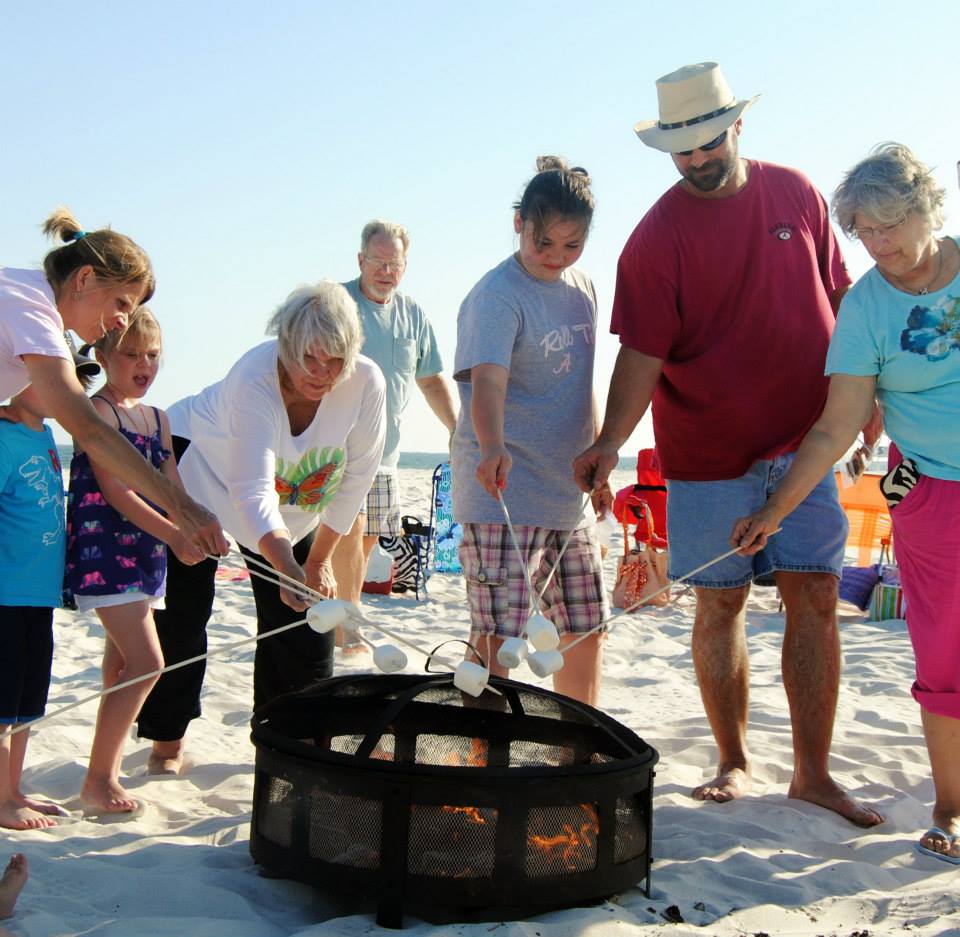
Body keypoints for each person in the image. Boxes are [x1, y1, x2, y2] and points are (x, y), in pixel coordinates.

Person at [573, 62, 882, 825]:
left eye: (708, 142)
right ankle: (734, 760)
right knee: (721, 604)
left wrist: (867, 394)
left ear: (736, 126)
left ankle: (812, 772)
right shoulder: (654, 238)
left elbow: (844, 298)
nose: (698, 159)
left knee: (815, 595)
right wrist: (611, 441)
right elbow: (640, 355)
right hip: (707, 453)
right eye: (682, 151)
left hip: (808, 438)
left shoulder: (799, 193)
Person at [732, 143, 960, 861]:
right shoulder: (864, 306)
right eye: (865, 229)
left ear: (928, 210)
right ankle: (951, 807)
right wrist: (774, 511)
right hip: (929, 494)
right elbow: (836, 424)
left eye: (892, 224)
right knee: (944, 656)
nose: (881, 243)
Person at [137, 281, 385, 774]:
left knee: (306, 625)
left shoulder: (366, 383)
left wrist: (314, 564)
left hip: (296, 508)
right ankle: (167, 742)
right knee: (185, 616)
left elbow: (358, 477)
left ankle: (289, 748)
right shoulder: (255, 376)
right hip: (201, 476)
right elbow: (251, 491)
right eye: (309, 359)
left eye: (335, 361)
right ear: (286, 347)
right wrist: (289, 565)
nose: (321, 373)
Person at [452, 156, 606, 706]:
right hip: (504, 490)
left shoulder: (582, 285)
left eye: (572, 246)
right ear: (519, 222)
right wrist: (491, 445)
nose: (557, 258)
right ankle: (478, 766)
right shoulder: (497, 294)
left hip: (569, 492)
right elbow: (488, 384)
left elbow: (582, 378)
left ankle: (580, 749)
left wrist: (599, 454)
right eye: (546, 244)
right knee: (498, 639)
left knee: (587, 625)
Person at [0, 208, 228, 557]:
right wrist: (185, 509)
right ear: (85, 278)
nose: (123, 322)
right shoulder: (32, 311)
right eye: (122, 303)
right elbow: (90, 430)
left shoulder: (24, 295)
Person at [65, 309, 205, 813]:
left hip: (145, 556)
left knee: (122, 664)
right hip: (105, 552)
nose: (144, 364)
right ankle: (98, 779)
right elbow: (119, 491)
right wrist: (176, 533)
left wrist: (195, 528)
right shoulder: (99, 413)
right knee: (149, 664)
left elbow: (172, 488)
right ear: (103, 356)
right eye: (131, 354)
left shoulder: (158, 418)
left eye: (152, 355)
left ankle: (106, 767)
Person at [330, 220, 457, 627]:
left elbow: (430, 377)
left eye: (394, 263)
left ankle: (343, 614)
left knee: (366, 541)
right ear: (360, 260)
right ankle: (346, 629)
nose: (386, 271)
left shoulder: (412, 313)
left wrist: (457, 428)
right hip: (338, 447)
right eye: (377, 262)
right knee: (348, 529)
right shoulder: (336, 304)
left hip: (386, 451)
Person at [0, 361, 96, 829]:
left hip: (39, 596)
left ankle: (12, 788)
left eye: (71, 378)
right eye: (49, 376)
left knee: (26, 702)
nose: (64, 387)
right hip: (6, 593)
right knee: (2, 702)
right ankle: (1, 797)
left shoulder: (43, 434)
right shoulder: (3, 436)